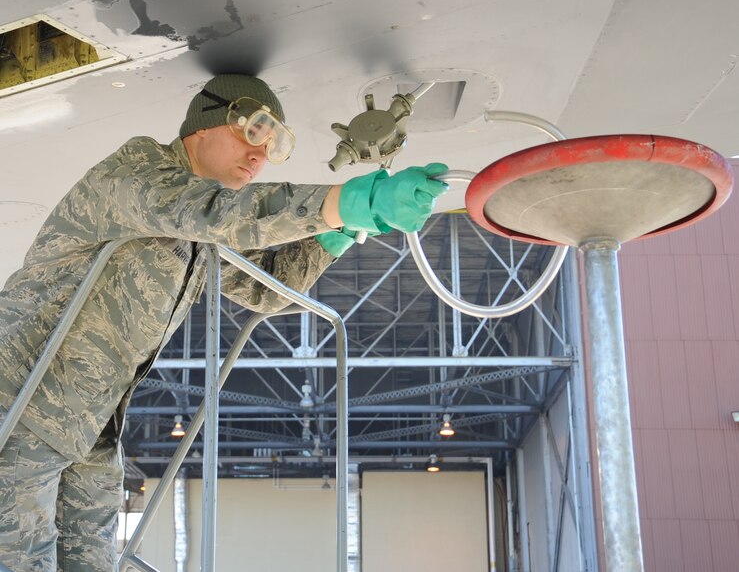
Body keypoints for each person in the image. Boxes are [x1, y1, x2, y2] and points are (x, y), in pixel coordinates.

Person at [0, 74, 448, 571]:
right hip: (19, 401)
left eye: (273, 145)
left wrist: (339, 231)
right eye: (255, 131)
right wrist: (342, 200)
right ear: (205, 126)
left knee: (94, 563)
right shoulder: (137, 173)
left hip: (89, 425)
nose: (261, 154)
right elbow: (217, 214)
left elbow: (265, 285)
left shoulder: (197, 229)